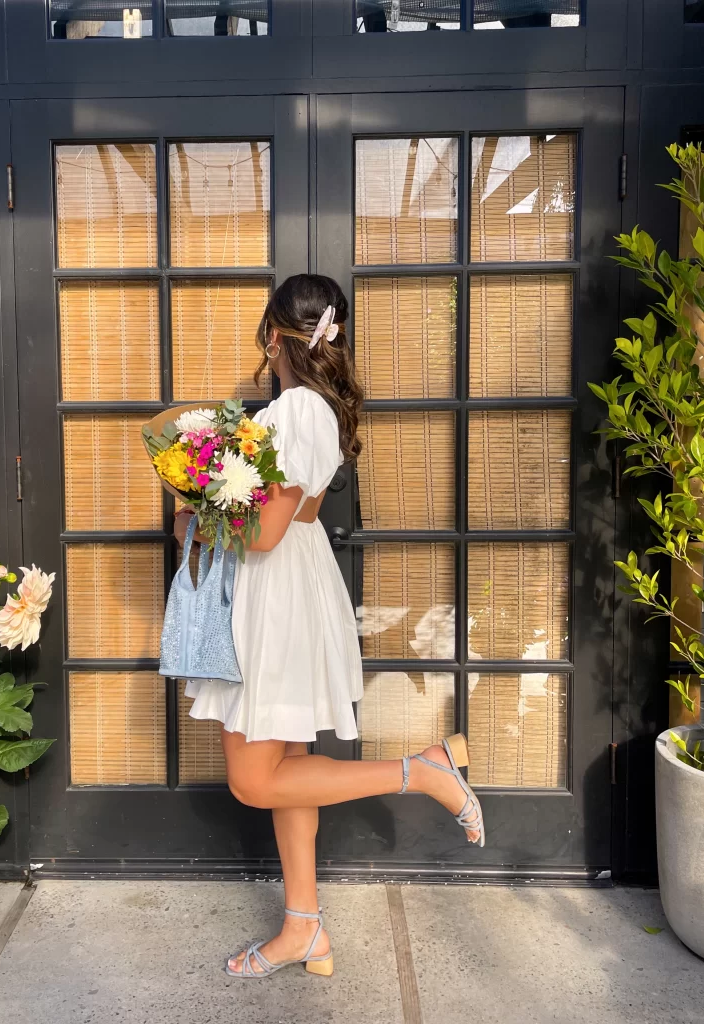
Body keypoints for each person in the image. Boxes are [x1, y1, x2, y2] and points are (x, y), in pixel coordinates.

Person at [174, 274, 484, 980]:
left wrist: (193, 509)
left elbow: (264, 536)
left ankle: (423, 771)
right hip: (297, 596)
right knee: (285, 772)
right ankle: (303, 928)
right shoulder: (318, 412)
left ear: (273, 335)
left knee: (254, 782)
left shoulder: (288, 416)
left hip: (271, 604)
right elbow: (304, 516)